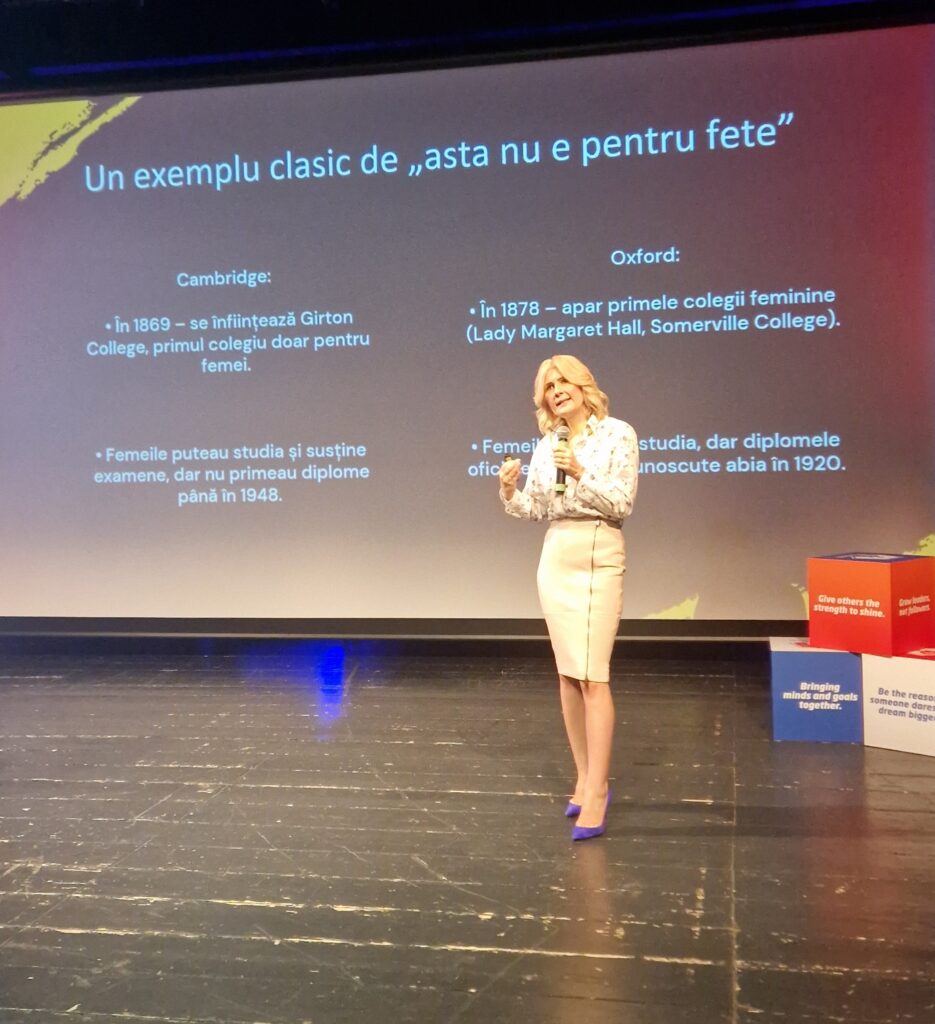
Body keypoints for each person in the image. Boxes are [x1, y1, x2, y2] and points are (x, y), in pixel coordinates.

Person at [498, 355, 638, 841]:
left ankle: (598, 790)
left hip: (598, 549)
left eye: (563, 382)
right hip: (556, 554)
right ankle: (583, 776)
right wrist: (510, 492)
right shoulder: (545, 445)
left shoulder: (618, 434)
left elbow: (622, 501)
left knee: (593, 674)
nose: (556, 390)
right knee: (568, 674)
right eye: (548, 386)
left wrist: (579, 470)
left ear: (582, 386)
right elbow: (538, 509)